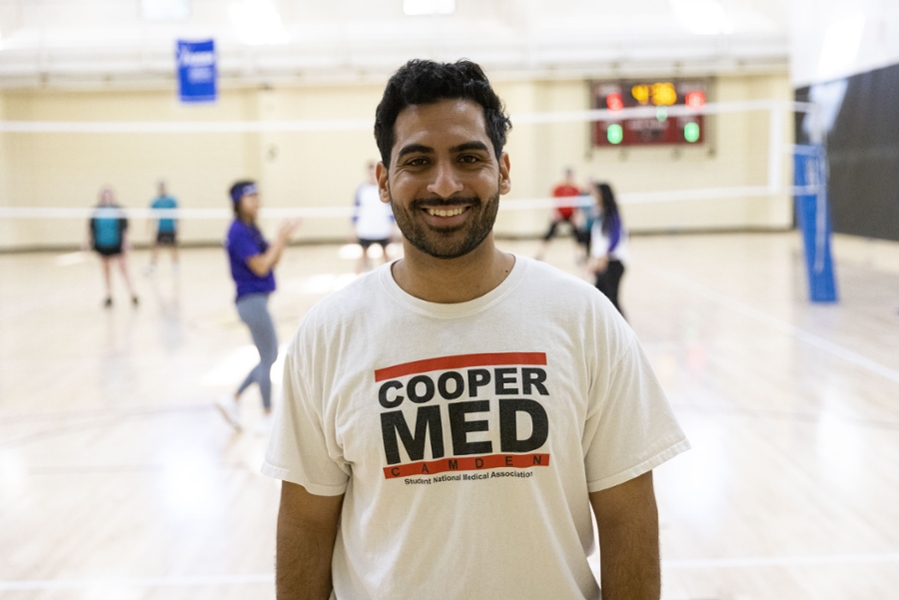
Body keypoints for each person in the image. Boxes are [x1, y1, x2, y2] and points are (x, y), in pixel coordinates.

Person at [263, 59, 689, 600]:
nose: (445, 185)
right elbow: (304, 523)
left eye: (468, 158)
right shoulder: (327, 336)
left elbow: (629, 519)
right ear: (383, 181)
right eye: (417, 161)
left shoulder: (585, 320)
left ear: (503, 171)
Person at [217, 180, 300, 433]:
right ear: (238, 202)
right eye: (250, 197)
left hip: (258, 300)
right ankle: (266, 415)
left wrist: (282, 240)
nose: (256, 201)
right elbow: (261, 266)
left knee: (269, 356)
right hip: (250, 302)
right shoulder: (238, 232)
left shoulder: (250, 229)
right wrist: (279, 238)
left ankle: (233, 399)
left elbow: (272, 259)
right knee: (269, 357)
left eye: (258, 196)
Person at [85, 186, 139, 308]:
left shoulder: (119, 210)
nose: (107, 197)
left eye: (109, 195)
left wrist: (127, 243)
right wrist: (87, 243)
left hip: (118, 244)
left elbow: (126, 229)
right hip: (102, 244)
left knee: (123, 269)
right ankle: (109, 296)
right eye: (104, 195)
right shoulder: (96, 211)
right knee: (106, 271)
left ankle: (133, 294)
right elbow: (90, 229)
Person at [590, 182, 628, 318]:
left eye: (596, 193)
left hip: (613, 264)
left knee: (612, 301)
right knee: (598, 299)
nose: (594, 196)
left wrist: (604, 258)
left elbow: (615, 238)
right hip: (603, 263)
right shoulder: (600, 214)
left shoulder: (612, 215)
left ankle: (626, 335)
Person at [352, 161, 395, 273]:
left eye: (373, 173)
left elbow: (390, 210)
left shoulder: (384, 189)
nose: (372, 176)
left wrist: (392, 228)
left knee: (385, 255)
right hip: (365, 229)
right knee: (363, 255)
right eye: (369, 173)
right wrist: (353, 229)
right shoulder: (361, 190)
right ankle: (357, 276)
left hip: (382, 229)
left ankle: (388, 275)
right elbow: (355, 210)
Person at [535, 167, 585, 260]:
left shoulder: (576, 189)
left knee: (578, 234)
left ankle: (580, 256)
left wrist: (577, 216)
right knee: (549, 233)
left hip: (571, 215)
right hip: (559, 215)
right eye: (567, 175)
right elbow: (554, 202)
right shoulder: (558, 188)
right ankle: (540, 254)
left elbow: (578, 204)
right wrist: (555, 213)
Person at [146, 180, 179, 274]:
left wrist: (178, 228)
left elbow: (177, 214)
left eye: (163, 187)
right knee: (156, 248)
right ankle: (152, 267)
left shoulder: (172, 200)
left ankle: (175, 266)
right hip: (160, 229)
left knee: (173, 248)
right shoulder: (155, 201)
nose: (162, 189)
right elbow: (150, 216)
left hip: (171, 228)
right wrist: (149, 230)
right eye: (160, 187)